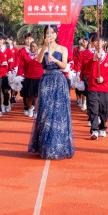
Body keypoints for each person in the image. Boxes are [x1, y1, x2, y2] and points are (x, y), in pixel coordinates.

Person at [28, 25, 74, 160]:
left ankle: (58, 146)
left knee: (58, 112)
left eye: (53, 33)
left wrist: (55, 60)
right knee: (45, 112)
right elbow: (38, 60)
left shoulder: (63, 49)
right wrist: (44, 47)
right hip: (46, 80)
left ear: (57, 34)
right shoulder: (42, 48)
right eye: (48, 33)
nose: (50, 35)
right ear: (44, 35)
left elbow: (64, 65)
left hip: (59, 80)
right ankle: (45, 146)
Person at [86, 33, 108, 139]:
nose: (98, 43)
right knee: (93, 109)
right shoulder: (89, 55)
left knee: (103, 109)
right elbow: (86, 69)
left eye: (100, 41)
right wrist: (94, 59)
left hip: (104, 87)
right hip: (93, 86)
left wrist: (104, 78)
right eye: (95, 41)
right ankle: (94, 130)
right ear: (93, 43)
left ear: (104, 42)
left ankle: (102, 127)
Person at [20, 41, 43, 118]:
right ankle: (30, 108)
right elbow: (22, 65)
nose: (33, 48)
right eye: (31, 46)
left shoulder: (40, 55)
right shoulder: (25, 55)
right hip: (28, 78)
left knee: (37, 96)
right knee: (28, 98)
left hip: (38, 78)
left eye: (34, 46)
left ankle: (36, 113)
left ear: (37, 47)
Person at [0, 33, 13, 113]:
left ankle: (7, 103)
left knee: (6, 91)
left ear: (4, 40)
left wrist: (10, 72)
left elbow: (10, 62)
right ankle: (0, 106)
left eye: (1, 39)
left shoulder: (8, 51)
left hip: (6, 74)